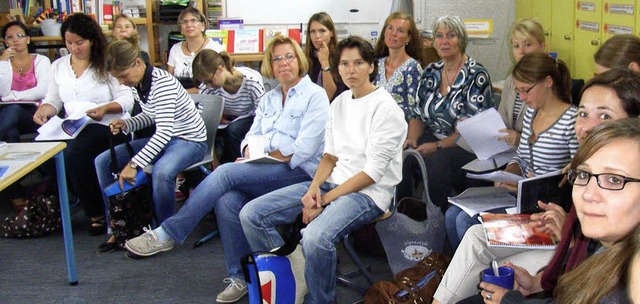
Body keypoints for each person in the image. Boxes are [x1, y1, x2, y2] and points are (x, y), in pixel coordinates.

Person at [124, 36, 329, 303]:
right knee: (226, 199)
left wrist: (264, 150)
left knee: (224, 173)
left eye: (289, 56)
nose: (283, 63)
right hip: (265, 167)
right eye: (277, 58)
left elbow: (302, 149)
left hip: (300, 172)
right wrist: (251, 153)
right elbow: (249, 137)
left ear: (299, 59)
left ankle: (169, 233)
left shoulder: (315, 96)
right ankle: (239, 277)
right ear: (271, 64)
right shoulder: (269, 98)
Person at [432, 68, 640, 304]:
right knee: (471, 231)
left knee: (474, 247)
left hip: (559, 247)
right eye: (583, 113)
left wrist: (513, 298)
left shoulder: (626, 275)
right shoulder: (542, 124)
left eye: (604, 116)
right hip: (553, 233)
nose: (588, 126)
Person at [240, 35, 408, 304]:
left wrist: (324, 201)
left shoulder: (386, 109)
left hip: (368, 194)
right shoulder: (340, 102)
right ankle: (295, 272)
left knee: (316, 236)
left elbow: (371, 174)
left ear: (372, 67)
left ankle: (321, 299)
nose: (350, 70)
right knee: (251, 214)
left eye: (358, 63)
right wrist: (314, 189)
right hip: (331, 183)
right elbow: (329, 155)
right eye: (344, 64)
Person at [475, 118, 640, 303]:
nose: (588, 194)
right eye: (584, 175)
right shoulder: (609, 249)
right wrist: (535, 284)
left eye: (615, 180)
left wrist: (511, 301)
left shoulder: (629, 285)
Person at [444, 53, 578, 250]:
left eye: (526, 91)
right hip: (520, 193)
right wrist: (510, 173)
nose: (522, 98)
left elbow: (574, 175)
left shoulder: (572, 119)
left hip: (543, 205)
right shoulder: (532, 112)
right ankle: (469, 272)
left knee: (465, 222)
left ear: (548, 82)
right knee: (451, 215)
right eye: (518, 91)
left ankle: (484, 271)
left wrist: (527, 186)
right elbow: (521, 156)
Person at [93, 36, 207, 253]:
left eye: (123, 76)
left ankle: (163, 233)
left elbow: (163, 132)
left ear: (137, 63)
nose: (121, 82)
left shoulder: (162, 83)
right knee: (103, 161)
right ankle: (118, 226)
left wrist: (134, 164)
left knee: (162, 172)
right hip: (170, 139)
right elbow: (150, 116)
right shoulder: (141, 82)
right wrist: (127, 124)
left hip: (190, 141)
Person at [32, 13, 134, 235]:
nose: (74, 48)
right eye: (69, 43)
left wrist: (105, 108)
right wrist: (44, 110)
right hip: (72, 125)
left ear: (92, 40)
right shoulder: (58, 66)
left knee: (73, 153)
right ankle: (75, 198)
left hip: (108, 125)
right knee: (43, 151)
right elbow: (53, 101)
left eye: (80, 43)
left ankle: (96, 211)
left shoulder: (107, 62)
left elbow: (127, 99)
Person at [399, 15, 493, 209]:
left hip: (465, 146)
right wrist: (412, 138)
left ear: (461, 40)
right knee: (401, 154)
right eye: (439, 36)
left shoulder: (476, 75)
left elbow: (469, 132)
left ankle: (436, 220)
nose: (444, 41)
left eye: (451, 35)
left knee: (436, 161)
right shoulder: (431, 71)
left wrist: (436, 146)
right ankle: (403, 215)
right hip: (432, 137)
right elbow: (417, 114)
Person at [193, 49, 265, 164]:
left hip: (249, 117)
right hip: (223, 119)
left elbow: (263, 115)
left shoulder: (252, 82)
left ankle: (232, 168)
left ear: (220, 68)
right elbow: (203, 119)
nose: (207, 86)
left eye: (209, 81)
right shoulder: (207, 88)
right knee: (200, 131)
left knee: (233, 130)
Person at [498, 19, 547, 148]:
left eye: (527, 45)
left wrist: (520, 139)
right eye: (516, 46)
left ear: (542, 46)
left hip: (536, 154)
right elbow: (501, 121)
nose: (521, 51)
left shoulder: (549, 82)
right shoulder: (511, 79)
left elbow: (553, 137)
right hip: (509, 151)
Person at [0, 21, 50, 143]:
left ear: (28, 39)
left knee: (13, 109)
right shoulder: (3, 63)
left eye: (20, 36)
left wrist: (12, 97)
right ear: (6, 42)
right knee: (10, 131)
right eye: (10, 37)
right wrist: (2, 63)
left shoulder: (41, 60)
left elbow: (42, 91)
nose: (15, 40)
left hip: (35, 113)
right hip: (6, 115)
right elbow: (3, 92)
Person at [373, 11, 425, 120]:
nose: (393, 34)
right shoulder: (375, 64)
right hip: (374, 126)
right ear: (384, 32)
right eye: (390, 28)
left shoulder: (413, 68)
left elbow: (415, 111)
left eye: (400, 31)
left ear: (408, 38)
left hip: (401, 129)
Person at [167, 6, 223, 92]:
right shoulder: (175, 49)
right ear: (181, 29)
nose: (189, 25)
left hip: (206, 97)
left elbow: (217, 83)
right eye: (184, 22)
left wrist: (183, 93)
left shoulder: (215, 48)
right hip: (179, 99)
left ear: (203, 26)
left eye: (193, 20)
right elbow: (169, 80)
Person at [303, 12, 347, 101]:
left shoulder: (341, 58)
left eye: (322, 31)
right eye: (313, 32)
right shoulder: (305, 59)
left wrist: (325, 63)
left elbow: (328, 96)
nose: (317, 36)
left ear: (331, 33)